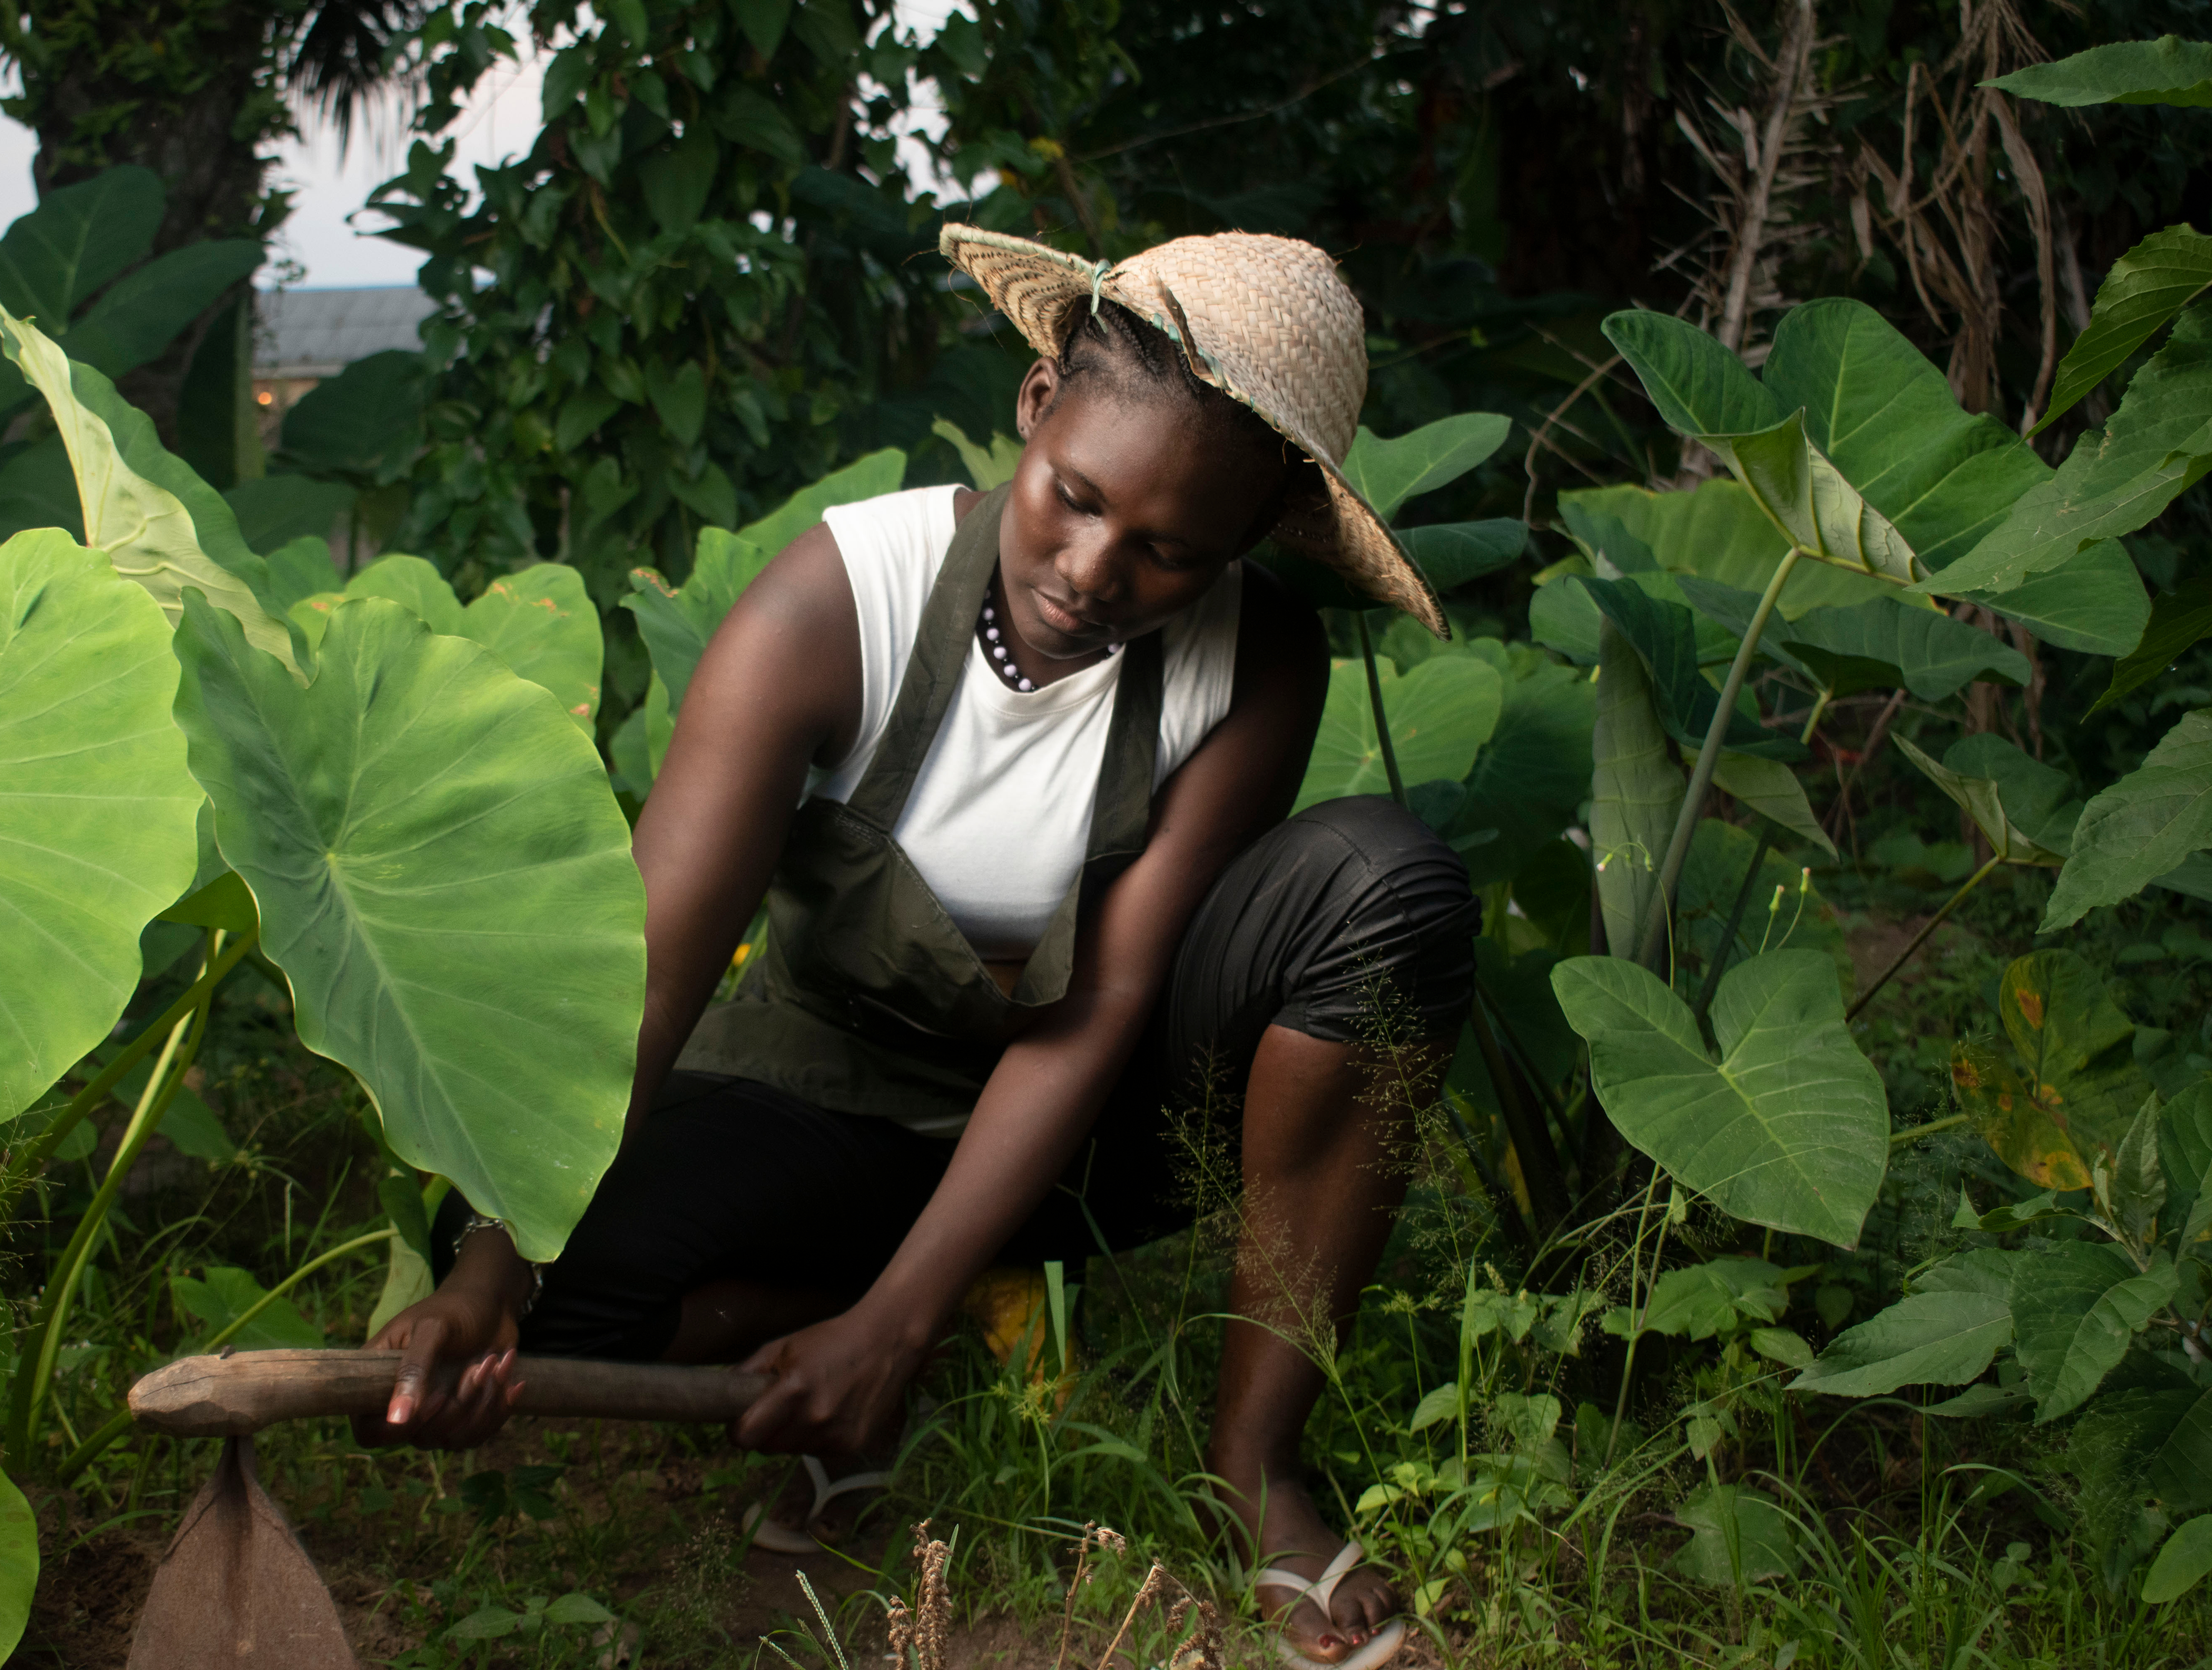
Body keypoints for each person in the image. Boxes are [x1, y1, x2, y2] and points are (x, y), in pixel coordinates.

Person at [360, 227, 1478, 1670]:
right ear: (1033, 406)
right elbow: (642, 978)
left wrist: (900, 1317)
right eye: (1073, 499)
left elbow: (1105, 1003)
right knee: (541, 1279)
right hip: (837, 1111)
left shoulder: (1256, 660)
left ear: (1251, 539)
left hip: (1097, 1117)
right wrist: (492, 1274)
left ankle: (1254, 1461)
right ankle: (886, 1323)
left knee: (1388, 888)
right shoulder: (836, 608)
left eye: (1170, 553)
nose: (1092, 570)